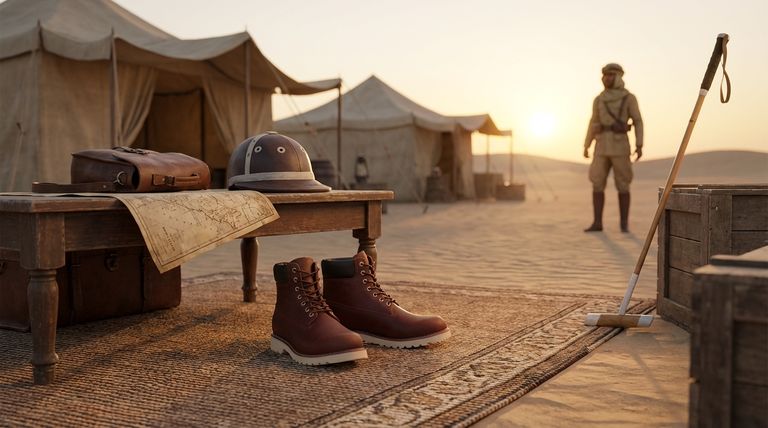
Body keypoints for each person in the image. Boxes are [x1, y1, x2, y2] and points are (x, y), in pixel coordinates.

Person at [583, 63, 644, 233]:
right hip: (601, 146)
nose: (606, 78)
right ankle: (597, 223)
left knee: (623, 184)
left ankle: (624, 224)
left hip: (620, 146)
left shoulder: (629, 98)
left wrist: (639, 145)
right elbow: (592, 122)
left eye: (610, 75)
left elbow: (638, 121)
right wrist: (586, 144)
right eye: (604, 75)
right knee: (597, 183)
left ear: (618, 77)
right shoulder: (599, 99)